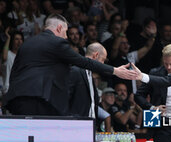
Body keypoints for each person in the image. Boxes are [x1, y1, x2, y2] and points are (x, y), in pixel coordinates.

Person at [4, 14, 136, 116]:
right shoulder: (56, 42)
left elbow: (15, 72)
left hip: (17, 98)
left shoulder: (27, 43)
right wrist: (115, 70)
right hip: (37, 100)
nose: (66, 37)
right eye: (65, 32)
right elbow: (83, 61)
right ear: (59, 28)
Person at [68, 42, 106, 118]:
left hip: (89, 125)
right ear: (96, 55)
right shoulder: (75, 71)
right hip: (75, 125)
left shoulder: (90, 75)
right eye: (103, 60)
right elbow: (64, 99)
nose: (103, 64)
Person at [2, 28, 23, 94]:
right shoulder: (8, 54)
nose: (19, 41)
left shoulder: (24, 56)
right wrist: (8, 38)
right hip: (8, 89)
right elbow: (4, 57)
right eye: (16, 39)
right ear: (12, 41)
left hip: (21, 90)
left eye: (21, 39)